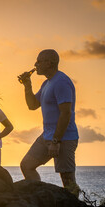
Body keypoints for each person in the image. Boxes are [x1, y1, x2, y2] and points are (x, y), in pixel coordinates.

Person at [18, 49, 80, 197]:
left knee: (68, 179)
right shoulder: (47, 83)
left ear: (49, 63)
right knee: (27, 165)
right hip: (48, 136)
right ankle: (39, 198)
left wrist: (56, 141)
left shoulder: (61, 82)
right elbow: (32, 105)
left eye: (39, 61)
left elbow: (66, 113)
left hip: (63, 138)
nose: (35, 64)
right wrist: (27, 85)